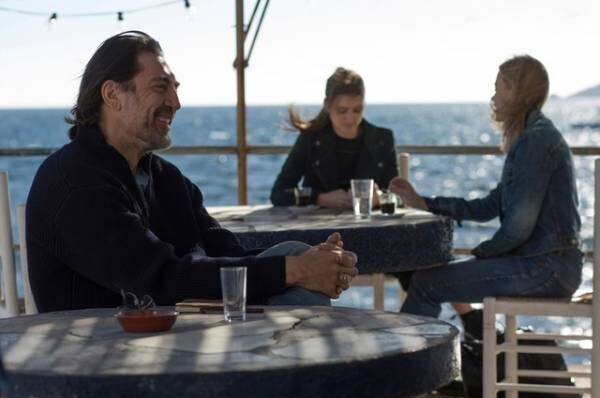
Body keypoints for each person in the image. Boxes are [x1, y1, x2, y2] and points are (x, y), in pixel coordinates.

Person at [26, 31, 358, 313]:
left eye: (175, 88)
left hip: (173, 332)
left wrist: (313, 261)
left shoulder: (167, 179)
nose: (176, 102)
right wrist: (297, 270)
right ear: (113, 95)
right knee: (291, 269)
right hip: (100, 354)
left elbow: (228, 254)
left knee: (292, 252)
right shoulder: (73, 182)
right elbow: (161, 278)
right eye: (161, 87)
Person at [389, 55, 583, 324]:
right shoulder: (531, 137)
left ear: (513, 90)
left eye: (497, 88)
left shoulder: (536, 141)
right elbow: (488, 206)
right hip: (545, 264)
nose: (493, 98)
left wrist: (481, 253)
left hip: (546, 268)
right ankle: (426, 347)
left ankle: (409, 351)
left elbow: (519, 227)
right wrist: (425, 203)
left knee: (427, 284)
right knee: (427, 279)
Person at [270, 67, 398, 209]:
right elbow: (279, 193)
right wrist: (319, 198)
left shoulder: (383, 140)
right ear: (327, 105)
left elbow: (397, 195)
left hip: (369, 222)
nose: (350, 118)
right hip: (318, 223)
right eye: (342, 111)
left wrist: (378, 198)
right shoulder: (310, 139)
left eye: (357, 110)